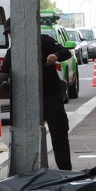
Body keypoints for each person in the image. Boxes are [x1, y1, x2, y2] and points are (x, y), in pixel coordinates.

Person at [37, 27, 74, 171]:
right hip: (30, 99)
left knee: (59, 133)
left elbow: (66, 52)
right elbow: (5, 71)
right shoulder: (14, 50)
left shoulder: (44, 40)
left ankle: (65, 171)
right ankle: (33, 172)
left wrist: (55, 56)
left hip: (50, 94)